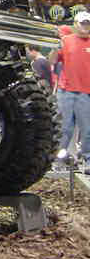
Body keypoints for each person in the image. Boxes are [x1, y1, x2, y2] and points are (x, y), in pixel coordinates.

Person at [49, 11, 90, 174]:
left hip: (86, 93)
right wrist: (55, 47)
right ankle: (58, 160)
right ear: (75, 24)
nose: (86, 26)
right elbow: (52, 60)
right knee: (64, 129)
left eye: (88, 23)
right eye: (83, 23)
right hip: (66, 91)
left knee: (87, 129)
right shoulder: (65, 41)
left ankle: (87, 160)